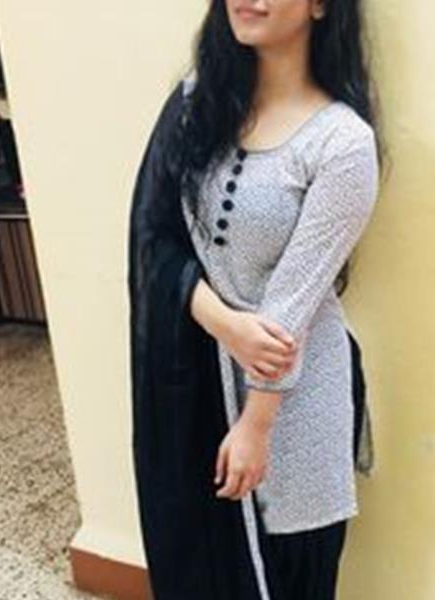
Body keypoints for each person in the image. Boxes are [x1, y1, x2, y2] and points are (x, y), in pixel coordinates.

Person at [128, 1, 385, 598]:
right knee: (201, 558)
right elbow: (152, 234)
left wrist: (255, 425)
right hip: (194, 382)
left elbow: (295, 301)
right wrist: (224, 323)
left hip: (296, 399)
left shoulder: (342, 143)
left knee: (291, 572)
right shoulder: (195, 105)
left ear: (321, 5)